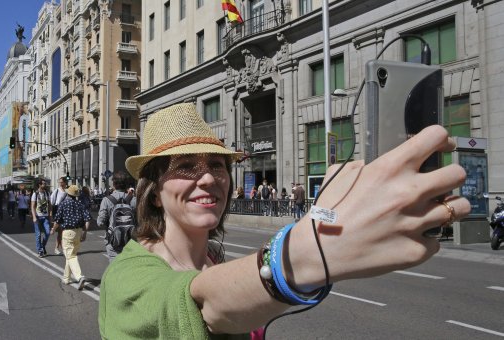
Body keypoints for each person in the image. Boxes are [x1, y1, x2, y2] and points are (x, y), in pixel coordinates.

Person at [98, 102, 470, 338]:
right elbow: (199, 305)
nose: (208, 177)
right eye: (185, 167)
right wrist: (314, 251)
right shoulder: (127, 275)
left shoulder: (211, 257)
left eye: (216, 164)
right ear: (154, 192)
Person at [53, 185, 90, 290]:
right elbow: (87, 219)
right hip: (78, 232)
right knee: (71, 255)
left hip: (68, 232)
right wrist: (85, 232)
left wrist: (53, 229)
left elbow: (57, 219)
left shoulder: (63, 203)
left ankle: (79, 277)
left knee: (71, 256)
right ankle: (66, 278)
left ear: (68, 193)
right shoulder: (80, 204)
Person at [97, 170, 137, 262]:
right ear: (127, 184)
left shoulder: (106, 200)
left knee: (115, 269)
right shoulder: (134, 200)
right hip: (131, 240)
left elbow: (100, 222)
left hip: (113, 241)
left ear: (114, 184)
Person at [31, 179, 51, 258]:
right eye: (43, 183)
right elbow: (32, 206)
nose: (45, 185)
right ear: (39, 185)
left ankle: (42, 246)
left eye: (45, 183)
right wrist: (34, 217)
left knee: (48, 232)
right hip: (38, 217)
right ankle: (40, 250)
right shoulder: (35, 194)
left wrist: (50, 215)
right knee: (38, 234)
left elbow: (50, 205)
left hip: (45, 216)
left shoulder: (47, 193)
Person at [50, 177, 69, 255]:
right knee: (61, 231)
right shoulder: (56, 191)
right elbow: (52, 202)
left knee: (64, 232)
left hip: (66, 212)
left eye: (61, 182)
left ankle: (61, 247)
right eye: (59, 182)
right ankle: (57, 248)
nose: (60, 184)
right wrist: (51, 214)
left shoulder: (67, 191)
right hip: (58, 211)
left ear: (65, 182)